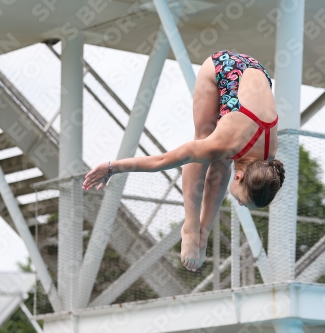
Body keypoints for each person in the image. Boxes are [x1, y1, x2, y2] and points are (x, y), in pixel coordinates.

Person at [82, 50, 285, 272]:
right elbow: (162, 160)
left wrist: (204, 231)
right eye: (242, 201)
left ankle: (204, 232)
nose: (239, 203)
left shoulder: (267, 162)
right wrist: (112, 167)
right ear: (239, 177)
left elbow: (224, 167)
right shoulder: (223, 143)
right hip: (223, 66)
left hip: (257, 71)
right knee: (205, 141)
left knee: (222, 159)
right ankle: (190, 228)